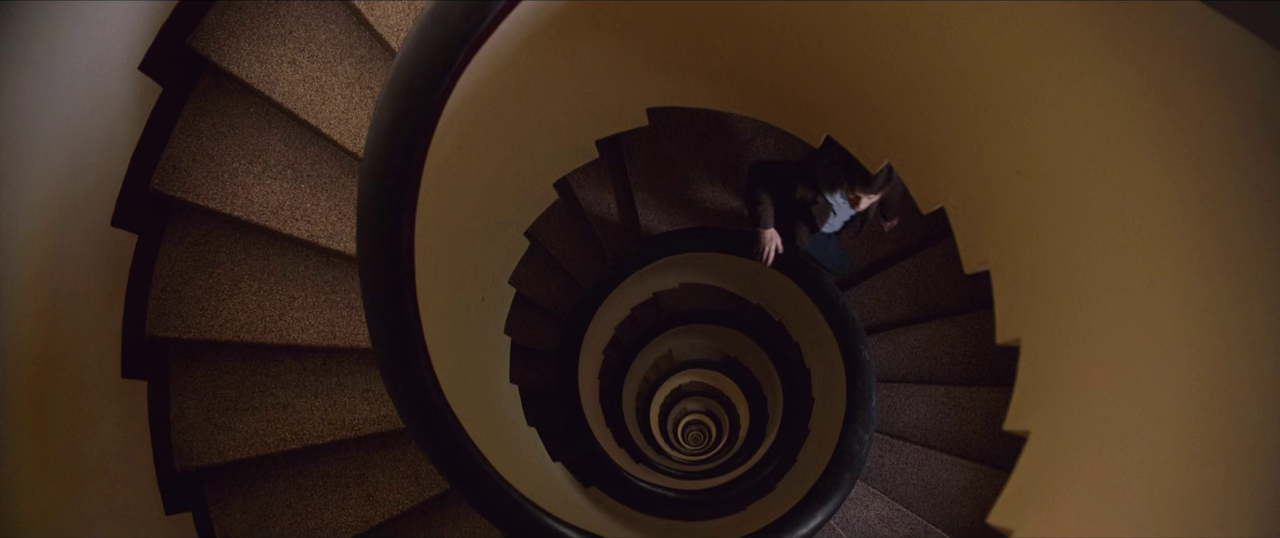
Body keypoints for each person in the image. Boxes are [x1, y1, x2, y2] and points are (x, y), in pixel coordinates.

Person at [747, 136, 904, 276]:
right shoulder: (807, 176)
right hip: (812, 229)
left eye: (870, 198)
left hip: (833, 219)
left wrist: (888, 214)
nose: (859, 206)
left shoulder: (887, 174)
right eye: (853, 194)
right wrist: (766, 227)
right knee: (841, 264)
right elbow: (759, 173)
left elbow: (892, 188)